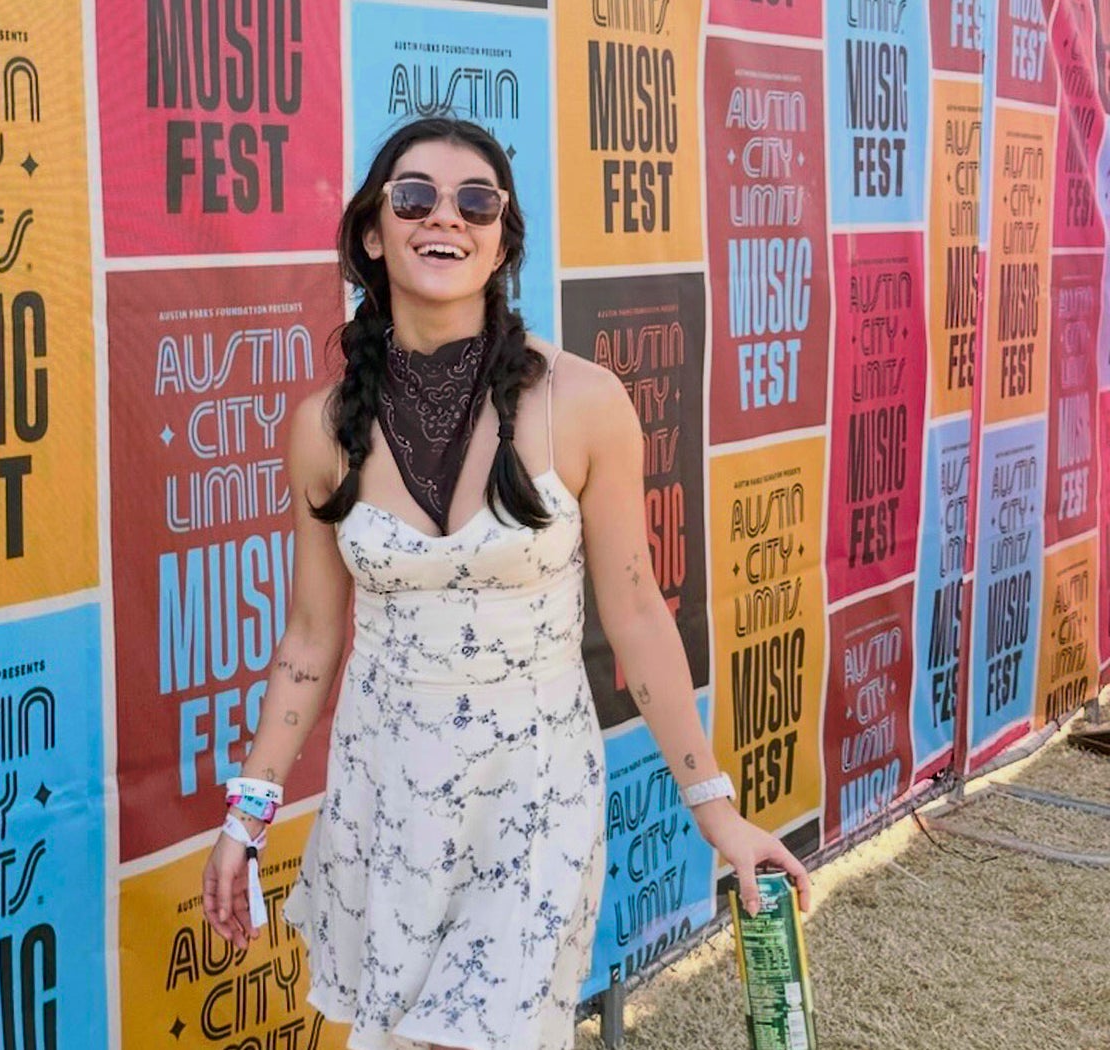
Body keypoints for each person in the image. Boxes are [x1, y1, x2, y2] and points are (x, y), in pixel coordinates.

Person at [200, 116, 813, 1050]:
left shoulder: (584, 401)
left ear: (501, 243)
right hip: (386, 797)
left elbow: (637, 613)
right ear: (374, 233)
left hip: (532, 796)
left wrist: (715, 810)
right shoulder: (322, 429)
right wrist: (247, 814)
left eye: (476, 202)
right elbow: (311, 639)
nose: (445, 217)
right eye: (415, 197)